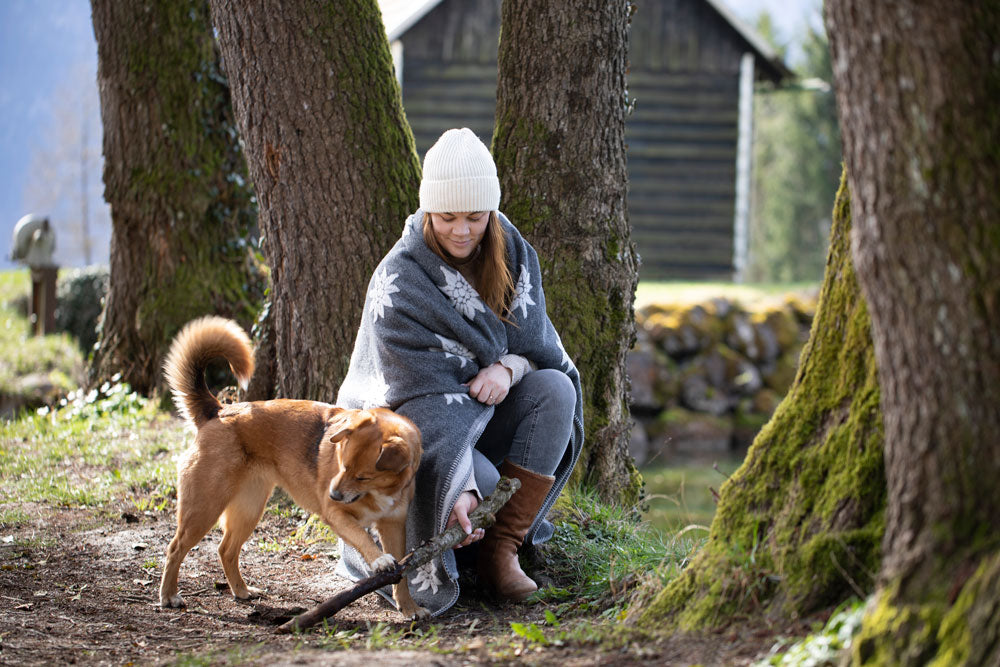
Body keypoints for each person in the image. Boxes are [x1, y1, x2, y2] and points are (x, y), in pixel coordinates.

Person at [336, 128, 583, 616]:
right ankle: (460, 531)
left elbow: (538, 345)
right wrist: (462, 481)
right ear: (428, 211)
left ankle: (501, 551)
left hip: (489, 417)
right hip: (423, 435)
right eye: (447, 217)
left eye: (475, 216)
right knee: (485, 485)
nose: (462, 231)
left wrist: (509, 368)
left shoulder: (512, 250)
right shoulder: (400, 280)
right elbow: (411, 400)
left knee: (555, 389)